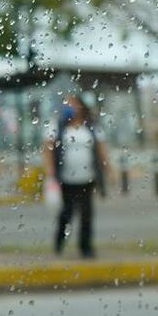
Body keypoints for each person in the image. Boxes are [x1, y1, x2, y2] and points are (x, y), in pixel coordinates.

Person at [43, 94, 111, 258]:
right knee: (66, 213)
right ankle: (59, 243)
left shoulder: (92, 126)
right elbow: (48, 148)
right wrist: (50, 170)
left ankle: (85, 247)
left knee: (87, 214)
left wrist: (109, 170)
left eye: (73, 104)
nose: (70, 107)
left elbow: (101, 149)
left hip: (87, 178)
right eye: (67, 104)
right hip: (66, 179)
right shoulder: (58, 126)